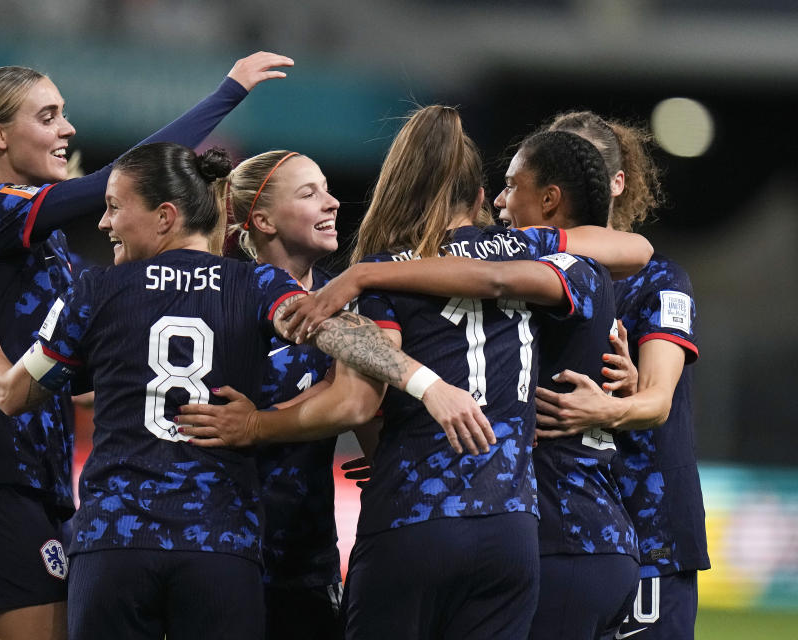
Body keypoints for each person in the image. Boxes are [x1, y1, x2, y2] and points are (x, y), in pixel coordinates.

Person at [0, 141, 491, 639]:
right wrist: (428, 384)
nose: (103, 223)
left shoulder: (97, 289)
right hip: (221, 545)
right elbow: (337, 336)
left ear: (166, 215)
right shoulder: (253, 288)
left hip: (116, 540)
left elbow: (13, 393)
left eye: (114, 208)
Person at [178, 106, 652, 639]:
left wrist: (264, 424)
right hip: (513, 527)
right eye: (309, 192)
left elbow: (359, 400)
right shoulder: (541, 259)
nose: (332, 201)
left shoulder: (377, 278)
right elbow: (635, 249)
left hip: (392, 523)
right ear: (476, 197)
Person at [0, 52, 293, 640]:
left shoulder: (52, 246)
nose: (67, 128)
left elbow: (73, 359)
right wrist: (227, 94)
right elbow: (115, 180)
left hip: (31, 477)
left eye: (63, 114)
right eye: (47, 116)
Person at [533, 111, 709, 640]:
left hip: (647, 530)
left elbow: (656, 401)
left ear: (616, 183)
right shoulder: (525, 278)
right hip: (549, 533)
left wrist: (605, 408)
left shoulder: (660, 280)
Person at [492, 130, 640, 639]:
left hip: (562, 537)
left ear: (550, 198)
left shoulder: (562, 272)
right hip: (596, 535)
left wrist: (364, 278)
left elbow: (487, 279)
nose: (498, 201)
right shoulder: (592, 271)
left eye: (511, 187)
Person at [218, 150, 346, 638]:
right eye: (309, 193)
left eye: (327, 188)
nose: (332, 202)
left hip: (309, 559)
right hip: (225, 548)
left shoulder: (348, 297)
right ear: (262, 220)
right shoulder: (224, 296)